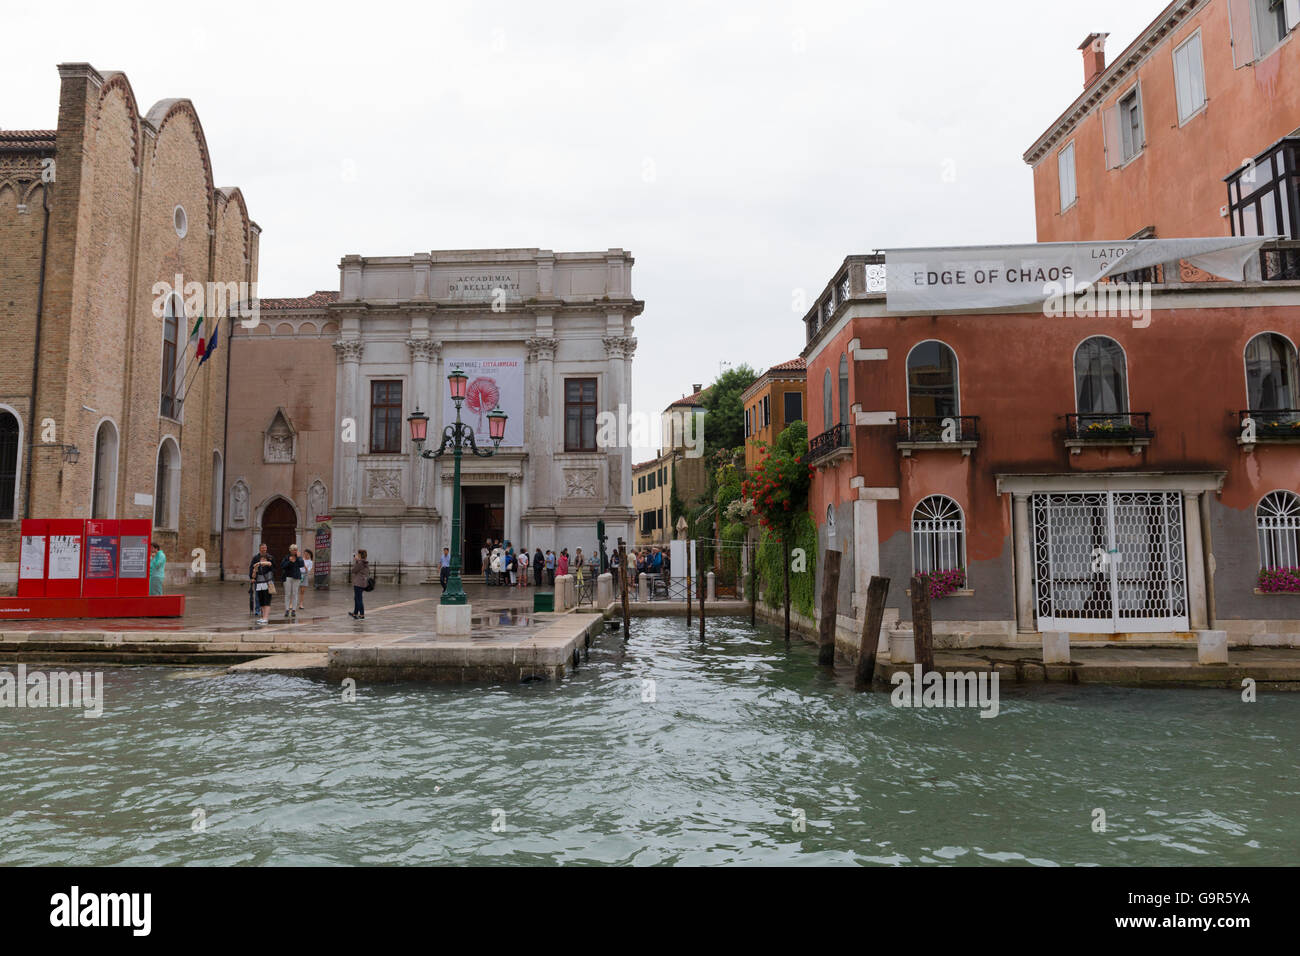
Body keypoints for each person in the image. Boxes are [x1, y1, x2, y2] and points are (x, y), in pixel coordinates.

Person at [249, 543, 275, 626]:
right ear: (259, 549)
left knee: (267, 600)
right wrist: (252, 576)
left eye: (265, 548)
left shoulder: (270, 558)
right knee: (261, 600)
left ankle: (266, 618)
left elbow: (271, 565)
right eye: (262, 548)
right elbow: (252, 570)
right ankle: (263, 617)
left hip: (268, 582)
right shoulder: (255, 558)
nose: (264, 549)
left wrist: (260, 564)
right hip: (259, 583)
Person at [281, 544, 305, 620]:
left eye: (296, 549)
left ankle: (294, 610)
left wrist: (298, 557)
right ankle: (287, 610)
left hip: (296, 577)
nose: (295, 551)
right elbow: (282, 566)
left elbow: (301, 565)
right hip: (287, 577)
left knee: (295, 593)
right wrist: (289, 561)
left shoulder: (299, 558)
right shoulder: (286, 557)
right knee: (287, 594)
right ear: (290, 550)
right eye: (294, 549)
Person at [349, 548, 369, 619]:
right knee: (356, 598)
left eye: (358, 554)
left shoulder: (360, 563)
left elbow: (353, 570)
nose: (357, 555)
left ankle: (362, 615)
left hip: (358, 583)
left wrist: (357, 561)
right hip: (361, 583)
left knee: (359, 599)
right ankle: (355, 613)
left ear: (360, 555)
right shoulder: (364, 562)